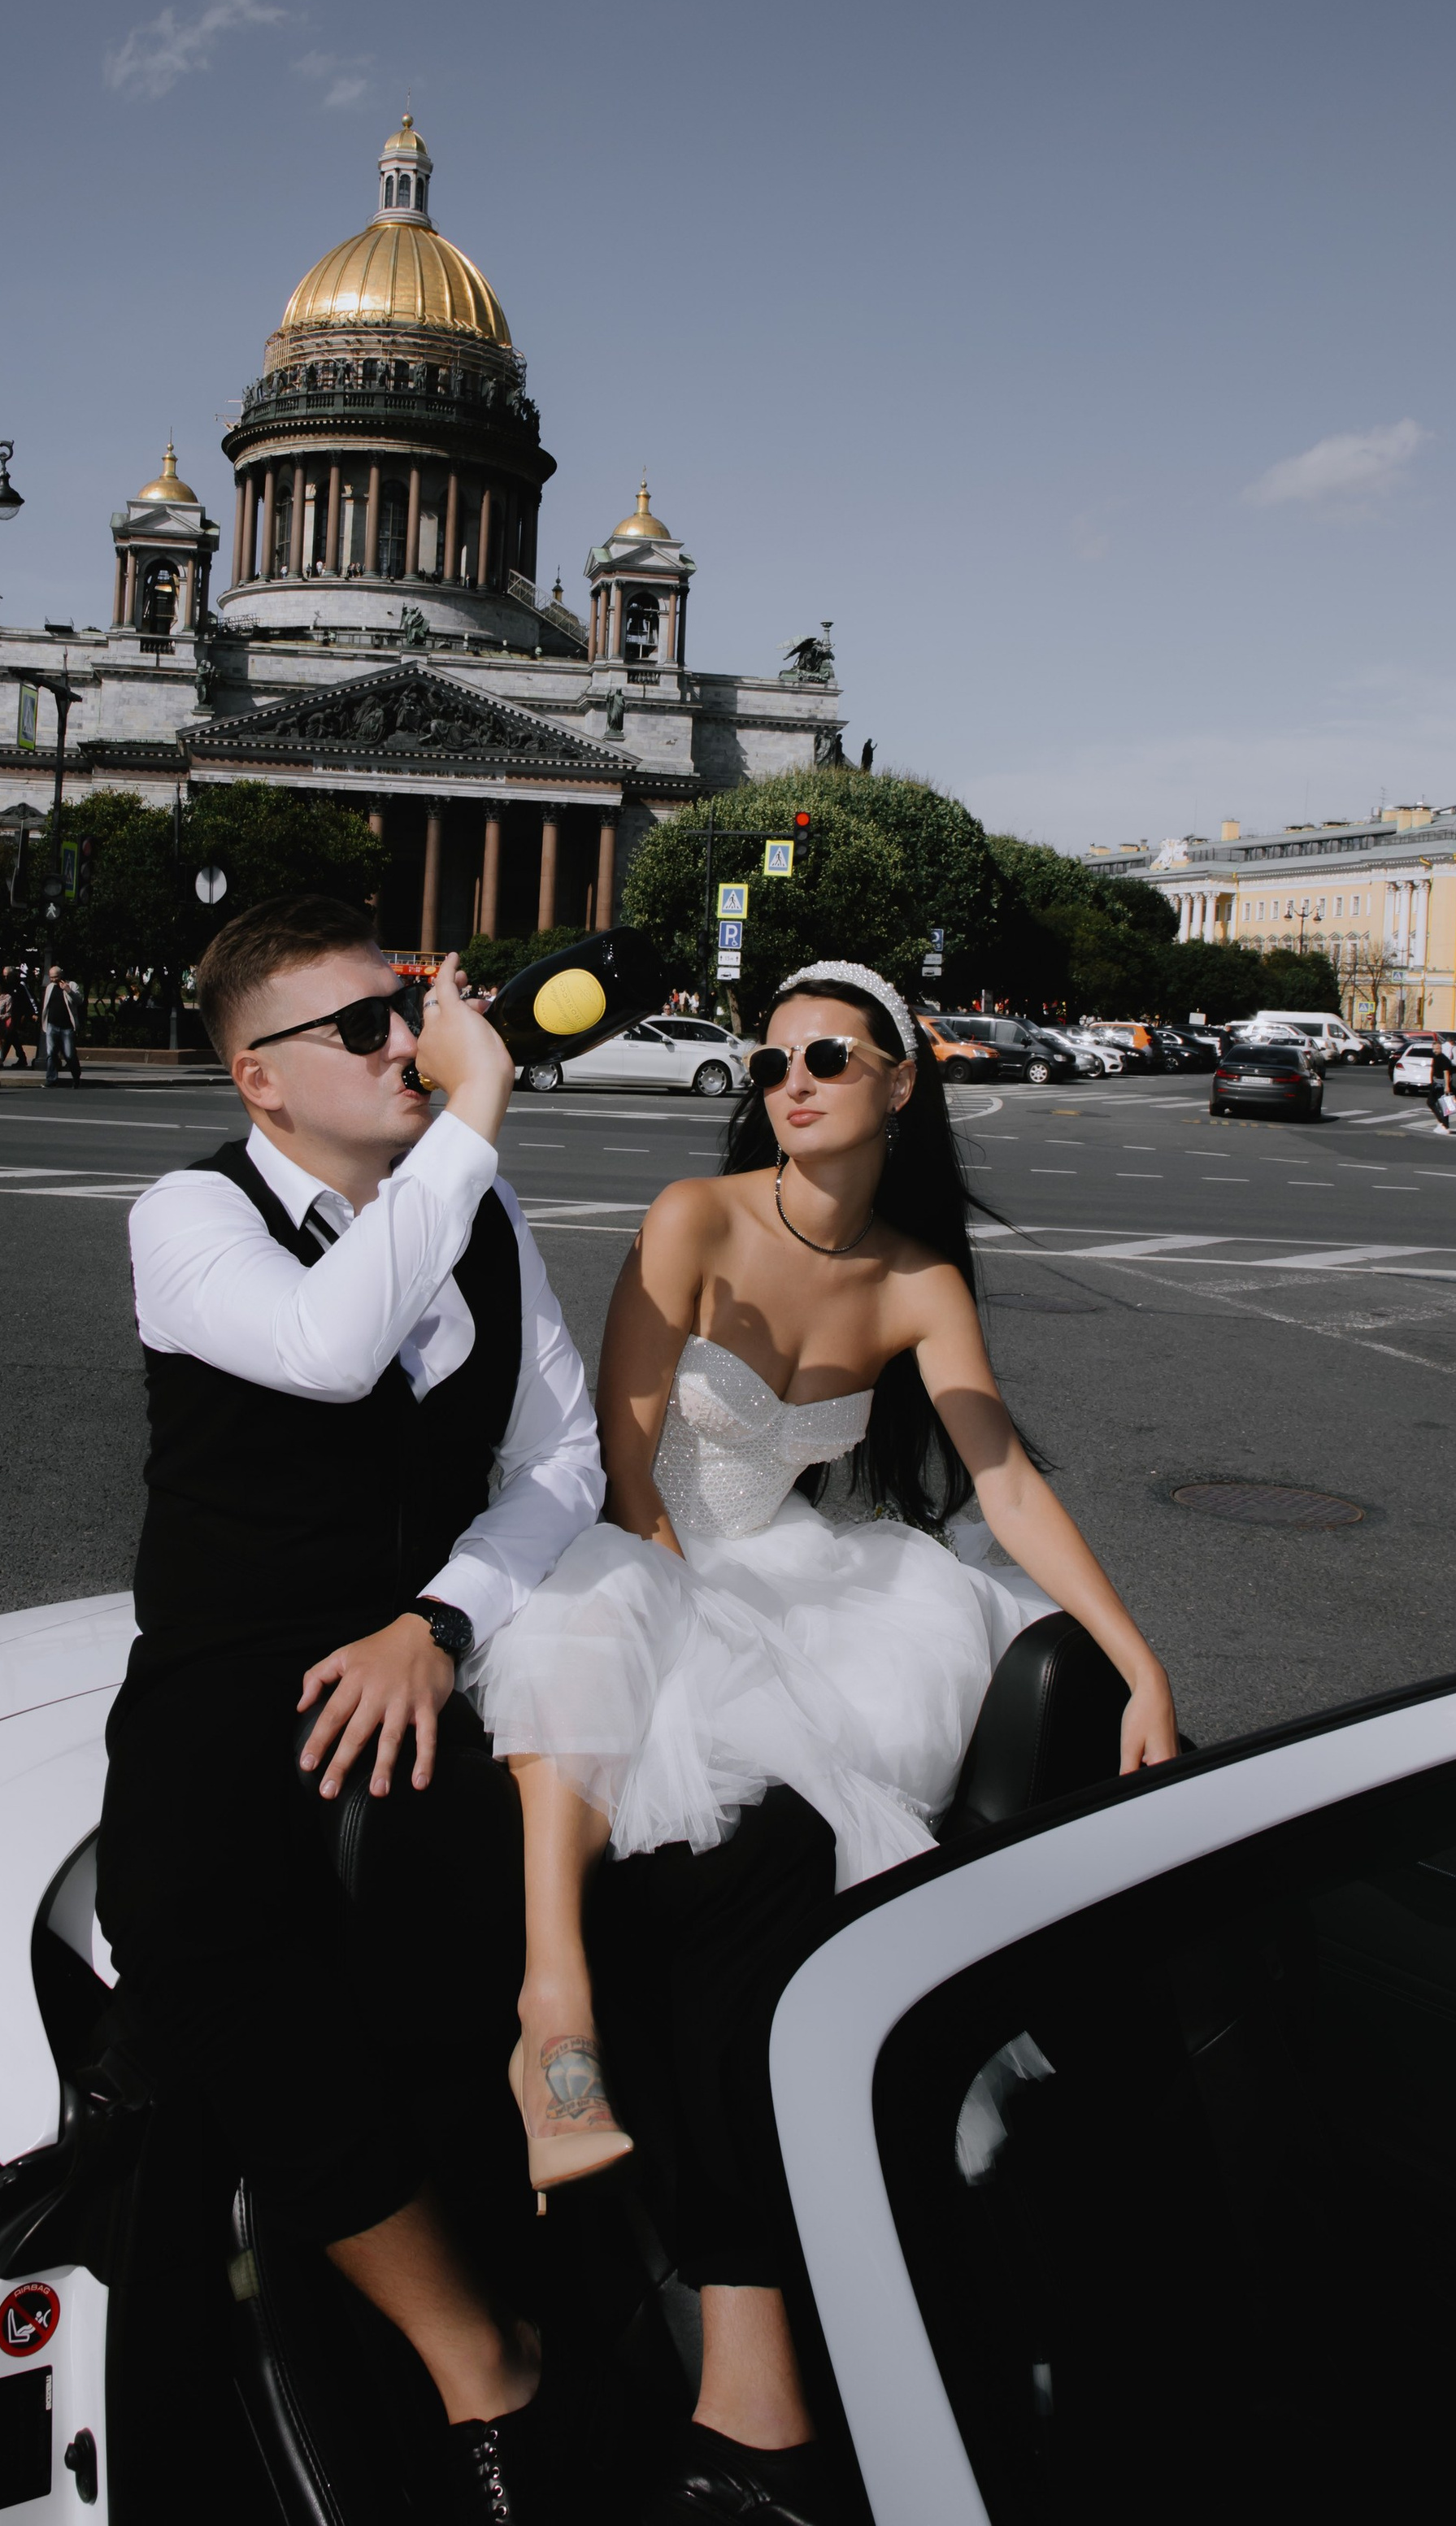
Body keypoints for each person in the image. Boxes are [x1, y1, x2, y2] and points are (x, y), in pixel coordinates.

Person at [466, 959, 1178, 2524]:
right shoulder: (695, 1216)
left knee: (793, 1891)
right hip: (654, 1559)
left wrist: (1134, 1660)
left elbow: (1001, 1484)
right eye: (773, 1058)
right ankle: (553, 2009)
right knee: (598, 1646)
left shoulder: (922, 1278)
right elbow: (630, 1466)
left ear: (901, 1083)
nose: (789, 1080)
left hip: (821, 1590)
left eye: (830, 1056)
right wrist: (702, 1640)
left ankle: (783, 2348)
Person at [95, 895, 606, 2524]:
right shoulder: (179, 1215)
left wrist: (436, 1621)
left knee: (450, 1955)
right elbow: (322, 1350)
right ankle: (473, 2354)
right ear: (258, 1079)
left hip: (434, 1632)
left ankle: (557, 2290)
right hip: (235, 1645)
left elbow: (560, 1467)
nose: (405, 1043)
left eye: (409, 1013)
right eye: (363, 1030)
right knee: (187, 1913)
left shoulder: (482, 1214)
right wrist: (470, 1108)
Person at [41, 965, 83, 1086]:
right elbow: (46, 1006)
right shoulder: (50, 987)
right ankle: (51, 1079)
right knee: (51, 1053)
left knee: (69, 1055)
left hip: (67, 1027)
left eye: (55, 977)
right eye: (51, 977)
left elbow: (79, 1001)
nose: (53, 979)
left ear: (61, 975)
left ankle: (76, 1077)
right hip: (52, 1025)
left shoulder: (72, 985)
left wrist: (68, 990)